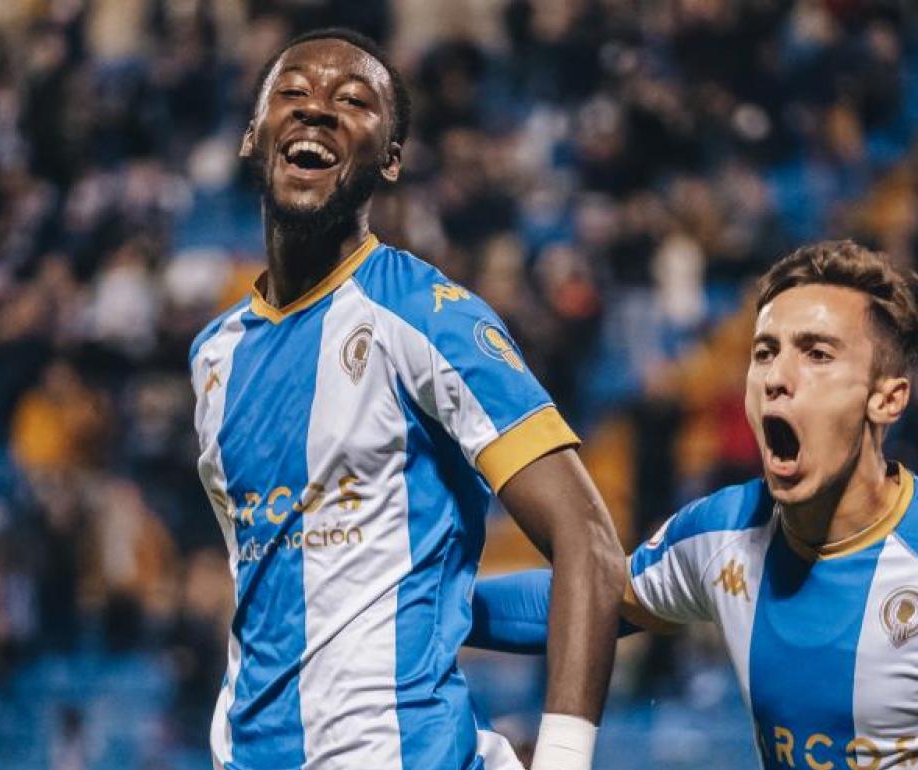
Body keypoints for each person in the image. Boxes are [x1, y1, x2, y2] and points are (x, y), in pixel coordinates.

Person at [468, 241, 918, 769]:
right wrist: (416, 597)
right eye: (764, 352)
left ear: (887, 400)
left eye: (818, 354)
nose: (777, 375)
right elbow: (583, 600)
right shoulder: (719, 534)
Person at [187, 27, 624, 770]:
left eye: (353, 100)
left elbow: (588, 541)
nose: (317, 110)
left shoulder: (427, 316)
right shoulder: (213, 355)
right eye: (292, 94)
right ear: (252, 136)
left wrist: (561, 757)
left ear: (389, 159)